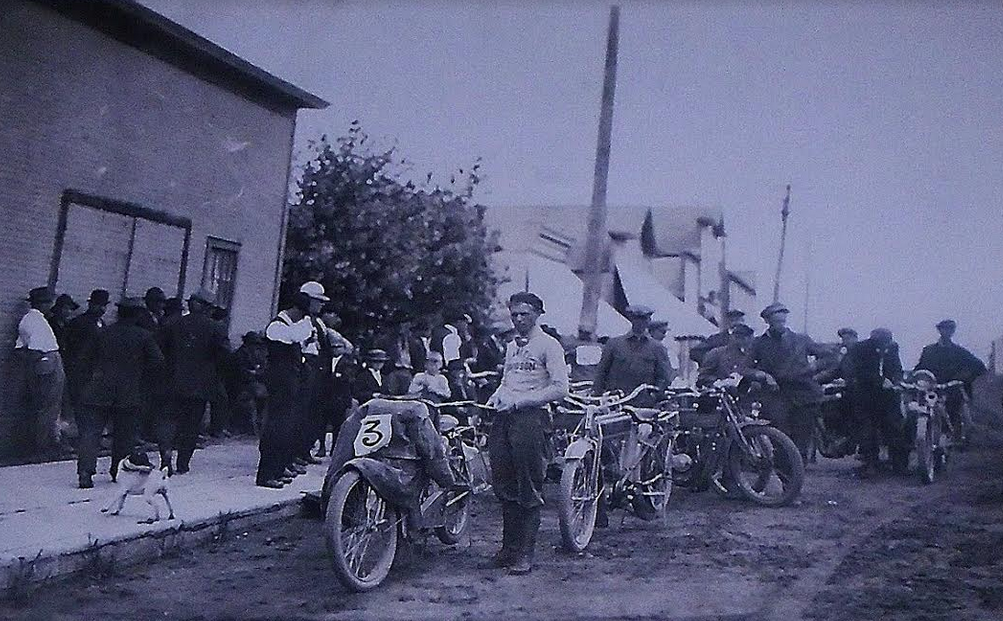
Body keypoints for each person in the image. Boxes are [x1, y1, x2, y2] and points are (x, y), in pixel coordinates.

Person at [485, 292, 569, 575]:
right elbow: (508, 380)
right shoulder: (512, 346)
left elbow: (560, 388)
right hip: (505, 418)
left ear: (538, 314)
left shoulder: (549, 345)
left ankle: (525, 553)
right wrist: (498, 395)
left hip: (531, 420)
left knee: (528, 486)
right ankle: (508, 548)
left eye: (525, 314)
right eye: (515, 314)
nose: (519, 319)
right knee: (503, 483)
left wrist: (521, 401)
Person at [75, 297, 164, 488]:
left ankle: (85, 472)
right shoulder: (144, 336)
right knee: (124, 435)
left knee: (91, 433)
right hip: (129, 392)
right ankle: (117, 470)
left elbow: (84, 359)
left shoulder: (103, 332)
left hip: (98, 389)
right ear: (138, 315)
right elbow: (157, 362)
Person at [158, 287, 230, 475]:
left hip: (171, 380)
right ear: (207, 307)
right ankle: (183, 462)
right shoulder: (216, 328)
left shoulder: (172, 323)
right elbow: (224, 357)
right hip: (200, 385)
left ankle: (165, 456)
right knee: (191, 425)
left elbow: (159, 351)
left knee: (169, 420)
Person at [747, 302, 829, 459]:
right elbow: (745, 368)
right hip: (776, 395)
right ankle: (784, 473)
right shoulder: (759, 343)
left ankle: (798, 473)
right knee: (780, 437)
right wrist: (763, 375)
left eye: (782, 321)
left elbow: (828, 357)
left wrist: (813, 367)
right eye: (776, 322)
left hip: (803, 394)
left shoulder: (801, 340)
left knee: (802, 438)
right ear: (767, 321)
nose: (780, 325)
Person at [256, 291, 314, 488]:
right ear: (293, 309)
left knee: (285, 430)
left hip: (289, 384)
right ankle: (266, 475)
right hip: (280, 384)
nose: (302, 318)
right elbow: (297, 337)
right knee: (275, 429)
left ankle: (278, 469)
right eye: (301, 313)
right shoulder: (278, 327)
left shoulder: (290, 326)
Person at [12, 287, 66, 457]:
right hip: (46, 361)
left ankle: (41, 443)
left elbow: (20, 348)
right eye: (49, 302)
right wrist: (42, 363)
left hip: (44, 361)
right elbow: (34, 350)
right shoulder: (34, 320)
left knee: (44, 406)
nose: (50, 305)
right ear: (43, 303)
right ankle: (42, 446)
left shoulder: (31, 319)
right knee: (48, 406)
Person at [845, 328, 905, 478]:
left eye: (888, 343)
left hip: (888, 396)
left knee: (894, 427)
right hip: (866, 395)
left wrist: (897, 380)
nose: (886, 346)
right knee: (867, 430)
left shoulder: (892, 348)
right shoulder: (860, 349)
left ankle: (898, 464)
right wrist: (880, 381)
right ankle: (870, 463)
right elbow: (860, 371)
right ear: (875, 341)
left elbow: (897, 367)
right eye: (883, 343)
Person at [914, 319, 987, 435]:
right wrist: (912, 379)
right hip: (932, 388)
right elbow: (920, 368)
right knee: (917, 407)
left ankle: (955, 435)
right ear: (939, 330)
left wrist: (962, 378)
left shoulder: (959, 352)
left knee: (953, 408)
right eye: (944, 329)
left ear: (953, 331)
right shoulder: (928, 351)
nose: (947, 332)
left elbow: (979, 367)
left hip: (952, 389)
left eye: (950, 329)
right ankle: (921, 436)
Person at [593, 305, 674, 400]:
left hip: (644, 402)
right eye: (637, 318)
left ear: (648, 321)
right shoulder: (614, 344)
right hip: (616, 400)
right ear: (631, 319)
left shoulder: (657, 348)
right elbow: (602, 372)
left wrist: (655, 394)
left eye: (644, 319)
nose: (640, 322)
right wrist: (598, 396)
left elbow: (664, 376)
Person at [63, 289, 110, 407]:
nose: (102, 309)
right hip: (79, 368)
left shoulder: (102, 324)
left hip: (94, 369)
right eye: (98, 305)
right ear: (91, 304)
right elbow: (68, 344)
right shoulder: (79, 322)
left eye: (104, 305)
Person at [231, 331, 268, 436]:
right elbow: (240, 373)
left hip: (252, 383)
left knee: (264, 393)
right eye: (254, 344)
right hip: (240, 385)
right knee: (260, 393)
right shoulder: (240, 355)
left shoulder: (256, 355)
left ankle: (260, 422)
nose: (256, 347)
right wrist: (255, 374)